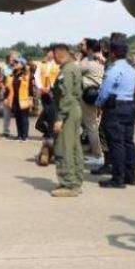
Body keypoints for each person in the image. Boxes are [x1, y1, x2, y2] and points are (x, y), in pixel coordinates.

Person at [95, 39, 135, 188]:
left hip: (115, 107)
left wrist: (99, 104)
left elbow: (105, 90)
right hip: (129, 105)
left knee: (116, 143)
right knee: (128, 142)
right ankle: (130, 175)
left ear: (112, 53)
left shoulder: (113, 69)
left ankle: (117, 178)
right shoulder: (132, 69)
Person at [50, 43, 84, 197]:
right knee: (74, 147)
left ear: (58, 54)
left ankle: (69, 184)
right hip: (73, 109)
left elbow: (67, 96)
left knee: (64, 147)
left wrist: (60, 118)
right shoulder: (72, 68)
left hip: (68, 111)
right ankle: (75, 181)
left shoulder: (67, 70)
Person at [78, 38, 105, 167]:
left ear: (89, 49)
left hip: (88, 95)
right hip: (99, 94)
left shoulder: (87, 62)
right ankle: (96, 151)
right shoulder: (103, 60)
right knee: (96, 124)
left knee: (91, 126)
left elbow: (74, 72)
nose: (81, 46)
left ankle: (98, 154)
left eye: (83, 45)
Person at [34, 50, 60, 166]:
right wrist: (41, 88)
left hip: (55, 95)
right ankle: (49, 149)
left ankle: (48, 151)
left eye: (49, 52)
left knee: (52, 122)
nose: (47, 55)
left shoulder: (59, 65)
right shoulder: (42, 65)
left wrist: (52, 88)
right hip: (45, 95)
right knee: (45, 122)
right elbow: (36, 77)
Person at [4, 56, 34, 141]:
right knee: (17, 118)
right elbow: (7, 87)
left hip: (24, 99)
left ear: (22, 65)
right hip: (14, 100)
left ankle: (25, 136)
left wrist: (31, 99)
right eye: (14, 62)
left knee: (24, 118)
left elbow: (31, 89)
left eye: (17, 62)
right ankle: (19, 135)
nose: (15, 64)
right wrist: (6, 97)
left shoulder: (28, 75)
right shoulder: (12, 74)